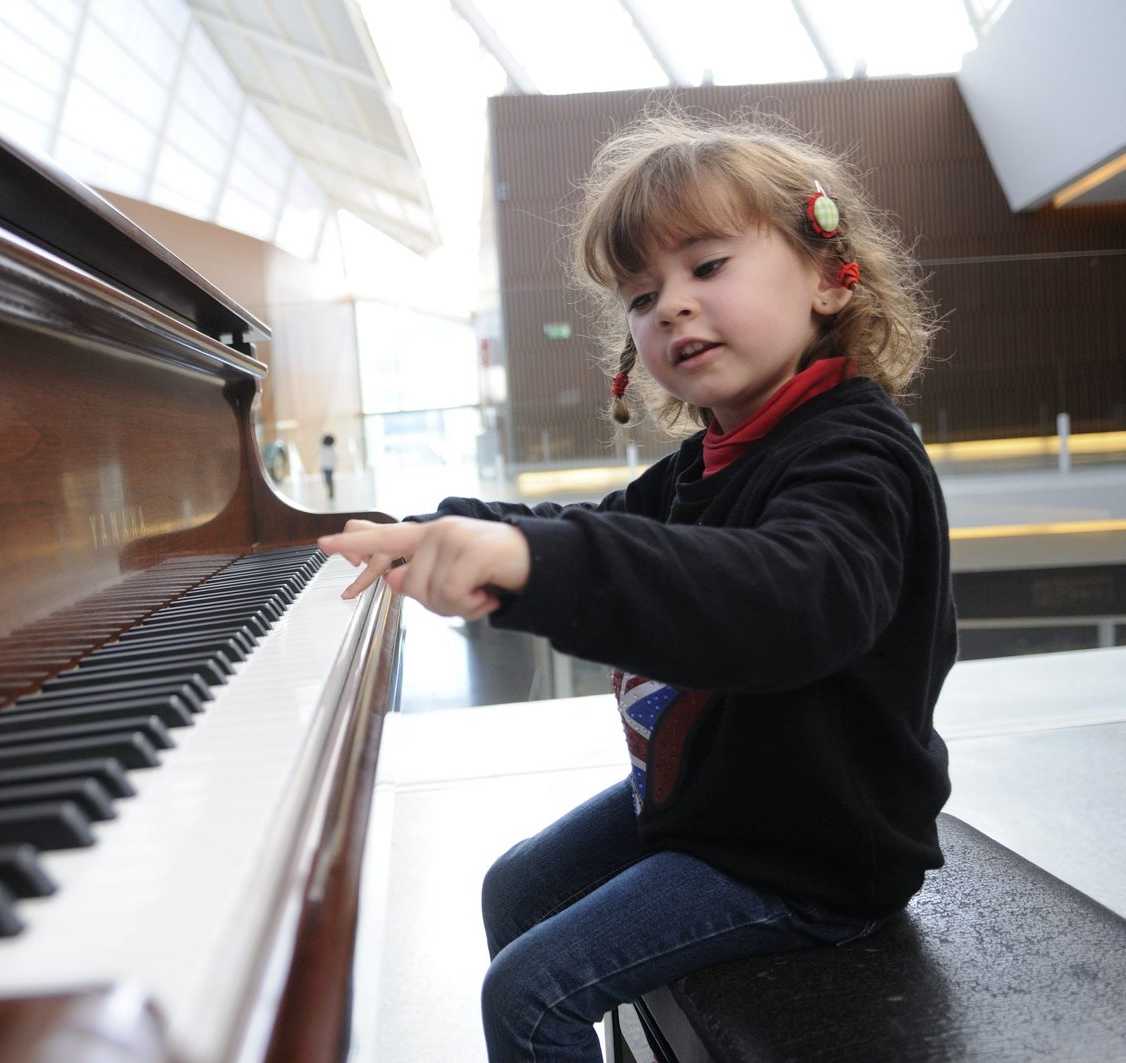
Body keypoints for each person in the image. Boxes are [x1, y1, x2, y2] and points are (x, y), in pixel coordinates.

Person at [319, 109, 956, 1061]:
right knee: (514, 888)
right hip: (719, 800)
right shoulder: (713, 457)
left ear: (830, 277)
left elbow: (789, 600)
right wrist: (444, 526)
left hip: (810, 848)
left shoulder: (858, 454)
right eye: (639, 291)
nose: (670, 306)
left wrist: (534, 567)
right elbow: (604, 528)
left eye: (706, 266)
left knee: (530, 996)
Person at [318, 433, 338, 500]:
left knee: (327, 480)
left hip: (325, 467)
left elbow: (317, 455)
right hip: (330, 467)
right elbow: (336, 458)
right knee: (329, 480)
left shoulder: (322, 449)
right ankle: (330, 491)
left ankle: (330, 492)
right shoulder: (332, 449)